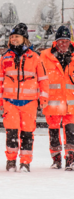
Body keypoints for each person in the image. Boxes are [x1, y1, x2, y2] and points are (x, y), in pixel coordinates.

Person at [0, 23, 49, 172]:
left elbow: (43, 79)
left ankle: (25, 162)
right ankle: (11, 161)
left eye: (17, 36)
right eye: (12, 37)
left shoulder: (35, 58)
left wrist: (43, 98)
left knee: (27, 133)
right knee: (11, 132)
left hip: (29, 102)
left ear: (24, 39)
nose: (14, 39)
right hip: (10, 101)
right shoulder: (5, 57)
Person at [40, 26, 74, 170]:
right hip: (52, 101)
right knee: (53, 130)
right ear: (56, 41)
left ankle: (71, 158)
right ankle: (56, 159)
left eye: (66, 40)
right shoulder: (45, 56)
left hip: (70, 102)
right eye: (60, 40)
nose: (63, 43)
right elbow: (40, 78)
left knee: (70, 131)